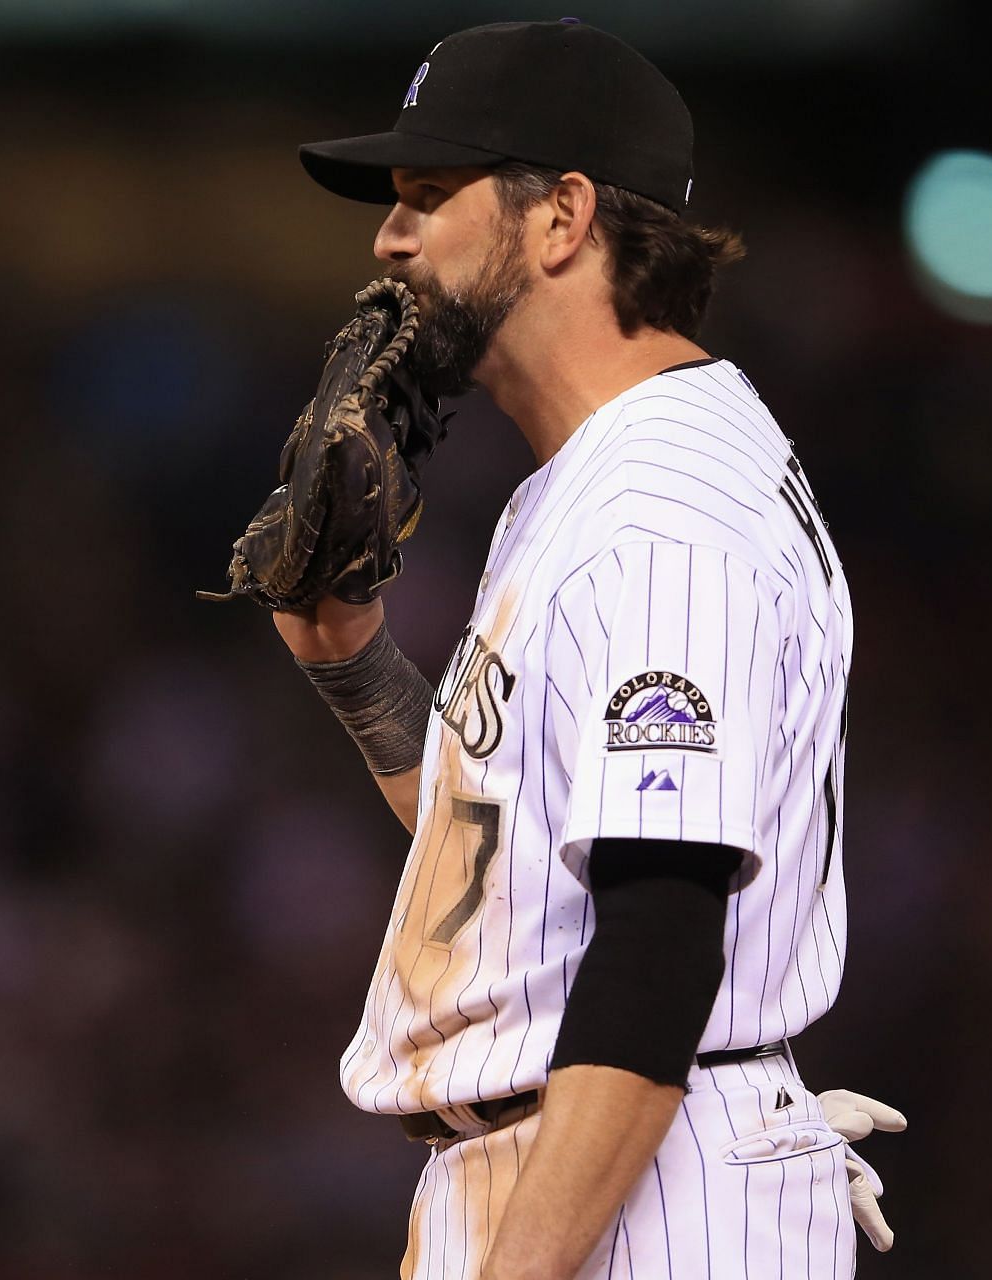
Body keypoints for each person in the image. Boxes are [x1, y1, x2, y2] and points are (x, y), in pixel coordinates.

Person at [272, 20, 900, 1279]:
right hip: (596, 1170)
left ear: (561, 217)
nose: (391, 238)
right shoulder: (601, 474)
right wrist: (347, 655)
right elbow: (508, 852)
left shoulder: (664, 512)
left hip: (631, 1195)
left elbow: (660, 945)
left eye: (430, 195)